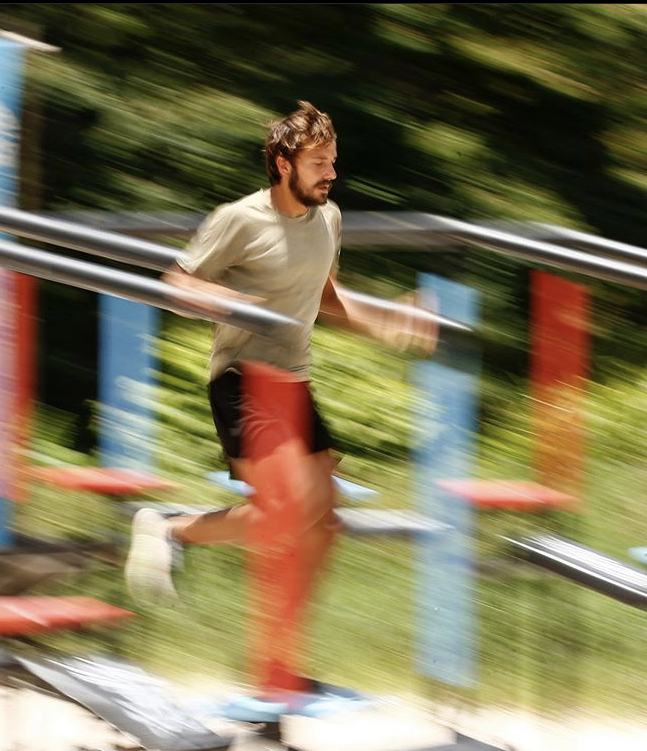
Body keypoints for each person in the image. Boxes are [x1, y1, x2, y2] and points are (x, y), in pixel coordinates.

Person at [125, 101, 437, 699]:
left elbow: (326, 300)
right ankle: (172, 529)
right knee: (292, 511)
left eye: (334, 162)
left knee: (324, 523)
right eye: (319, 163)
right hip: (242, 379)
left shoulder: (329, 219)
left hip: (293, 382)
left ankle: (278, 666)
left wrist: (389, 321)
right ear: (283, 163)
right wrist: (231, 302)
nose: (331, 174)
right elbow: (177, 283)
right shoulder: (238, 220)